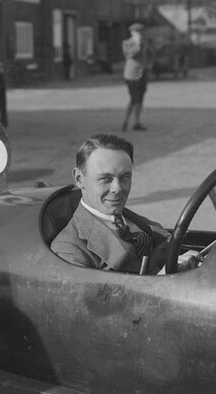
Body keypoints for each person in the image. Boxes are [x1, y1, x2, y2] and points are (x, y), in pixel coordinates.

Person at [51, 134, 199, 274]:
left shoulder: (136, 221)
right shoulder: (69, 248)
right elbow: (92, 300)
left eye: (125, 177)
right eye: (105, 179)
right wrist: (165, 279)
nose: (118, 188)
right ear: (79, 178)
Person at [121, 23, 151, 132]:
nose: (140, 34)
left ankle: (136, 122)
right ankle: (125, 122)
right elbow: (130, 55)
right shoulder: (127, 43)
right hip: (132, 75)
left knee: (140, 99)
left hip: (142, 73)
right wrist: (137, 43)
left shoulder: (144, 43)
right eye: (137, 32)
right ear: (132, 33)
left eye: (141, 32)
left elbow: (149, 55)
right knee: (134, 100)